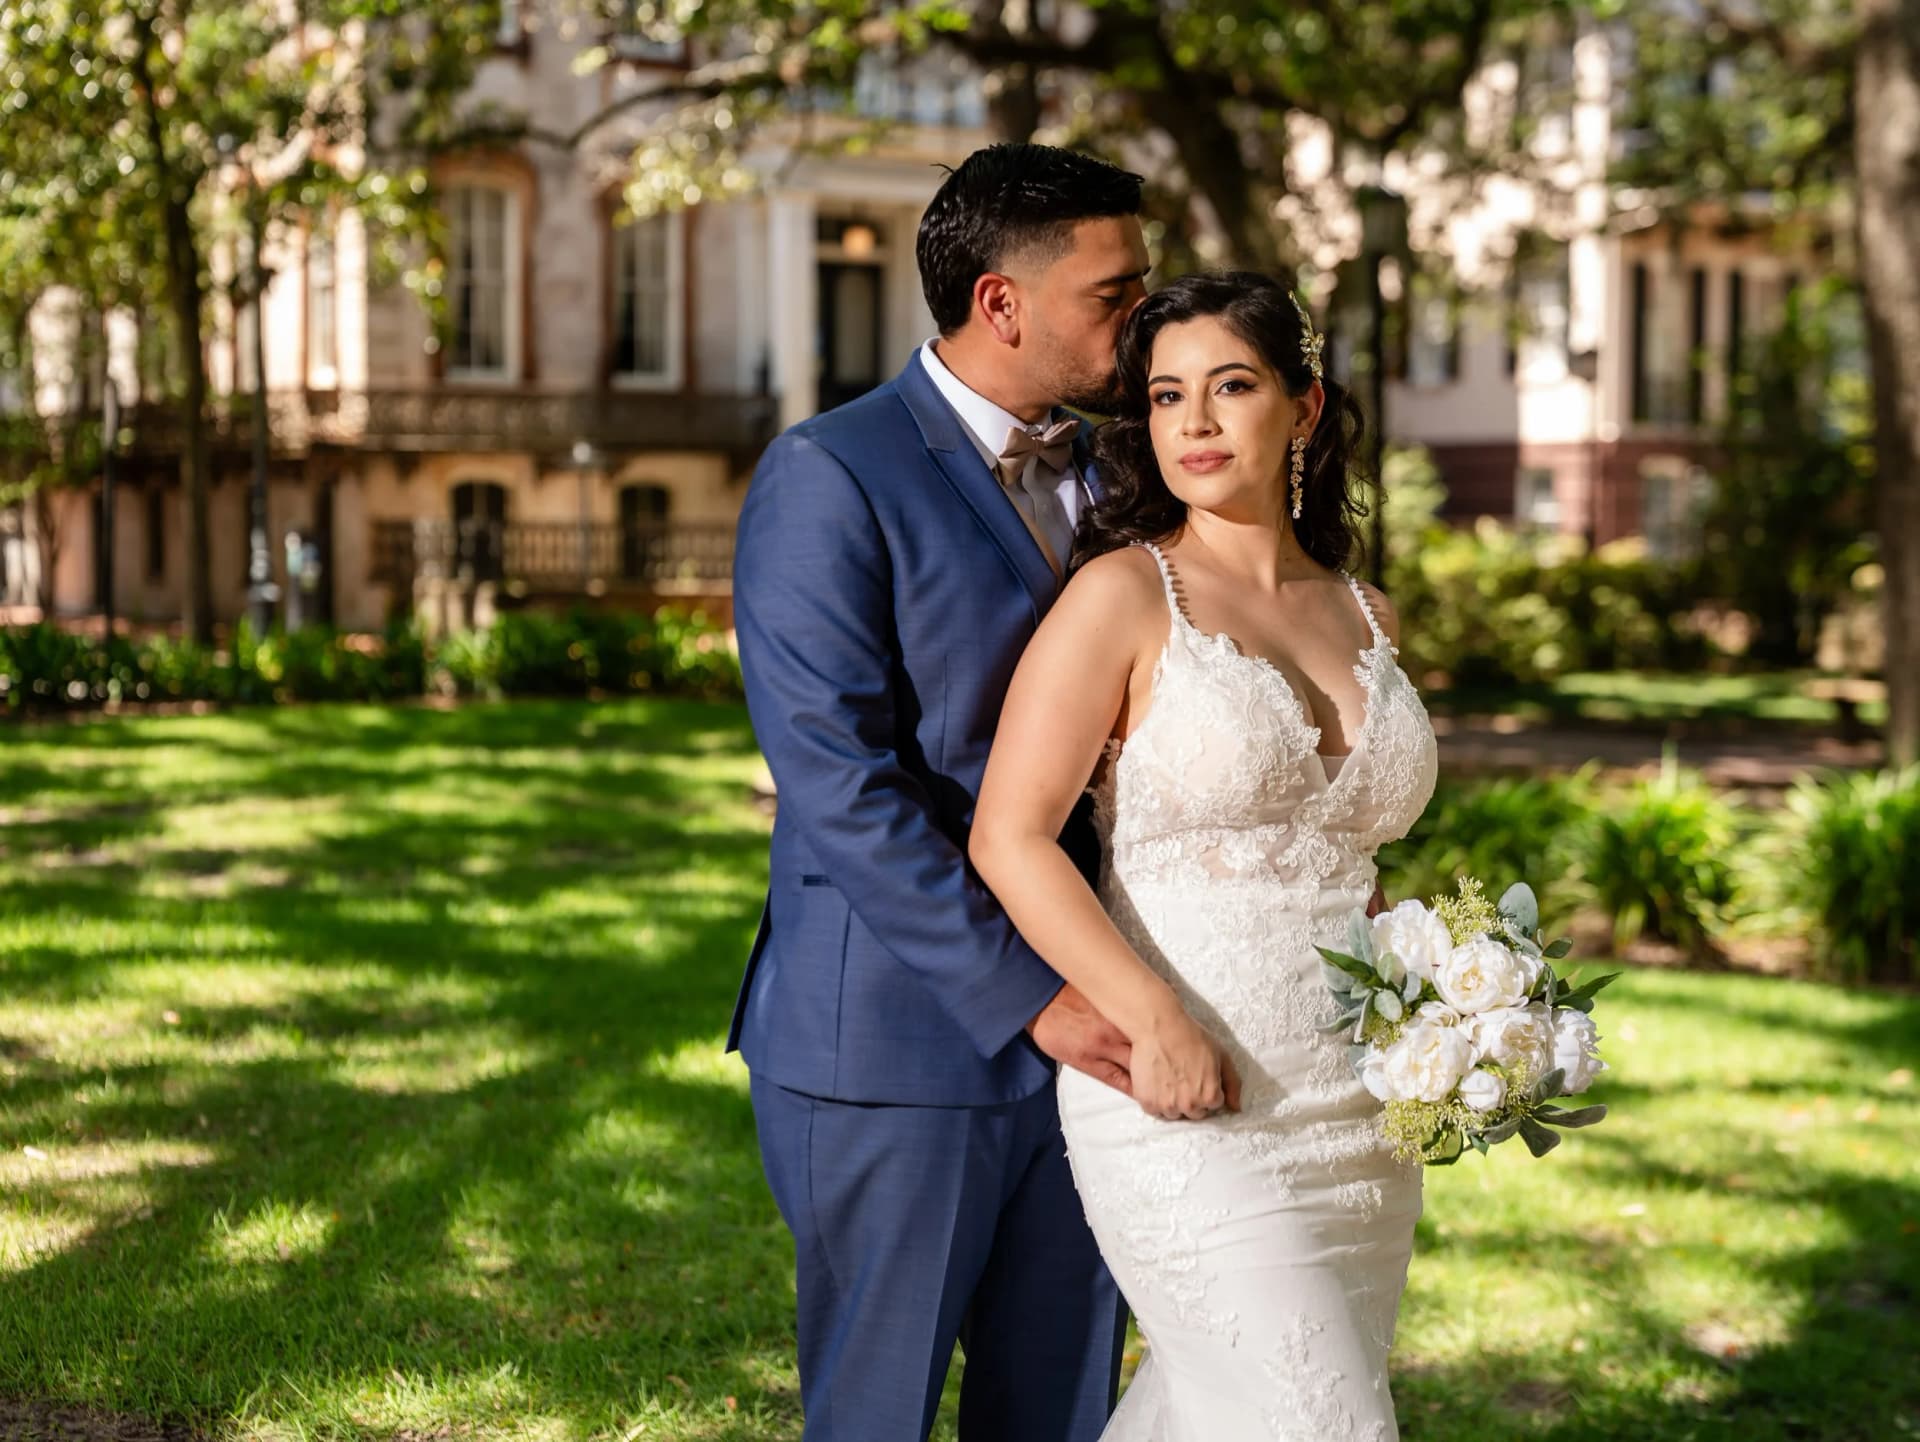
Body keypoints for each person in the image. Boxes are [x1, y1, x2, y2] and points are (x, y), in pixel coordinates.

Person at [727, 143, 1152, 1442]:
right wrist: (1040, 1001)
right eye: (1116, 296)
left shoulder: (1128, 474)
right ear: (1004, 303)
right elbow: (843, 787)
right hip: (897, 1047)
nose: (1144, 320)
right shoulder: (830, 474)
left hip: (1105, 1040)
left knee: (1057, 1412)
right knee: (877, 1416)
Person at [970, 271, 1441, 1438]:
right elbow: (1010, 835)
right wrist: (1148, 1017)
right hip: (1183, 1088)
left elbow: (1347, 857)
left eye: (1231, 386)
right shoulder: (1124, 597)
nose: (1194, 421)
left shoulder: (1367, 612)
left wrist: (1448, 1007)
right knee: (1317, 1418)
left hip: (1358, 1116)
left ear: (1305, 407)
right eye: (1167, 395)